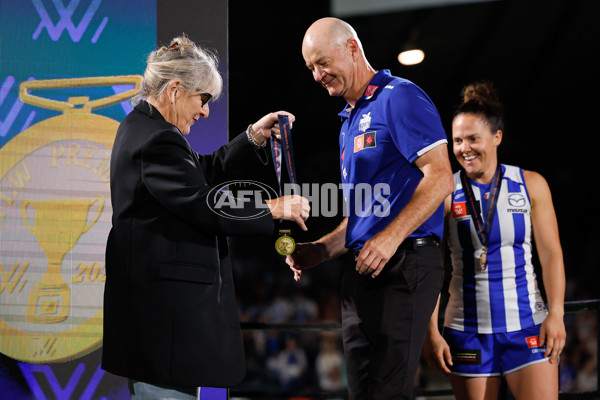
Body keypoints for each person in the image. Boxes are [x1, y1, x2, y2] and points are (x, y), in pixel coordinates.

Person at [102, 35, 310, 400]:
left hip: (160, 325)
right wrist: (272, 209)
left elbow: (203, 172)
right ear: (175, 90)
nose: (205, 111)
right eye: (203, 99)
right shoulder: (156, 139)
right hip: (163, 327)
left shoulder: (146, 130)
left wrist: (253, 137)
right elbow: (203, 203)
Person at [287, 17, 454, 399]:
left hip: (404, 266)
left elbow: (441, 176)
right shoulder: (348, 119)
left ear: (351, 48)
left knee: (386, 394)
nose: (316, 75)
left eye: (322, 62)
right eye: (310, 67)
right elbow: (365, 217)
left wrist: (391, 238)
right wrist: (319, 251)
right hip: (363, 272)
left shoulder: (399, 96)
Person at [423, 81, 566, 400]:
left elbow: (551, 253)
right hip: (466, 332)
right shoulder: (445, 192)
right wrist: (430, 330)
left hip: (529, 328)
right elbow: (433, 265)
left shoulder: (531, 184)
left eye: (473, 139)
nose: (464, 148)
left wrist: (556, 313)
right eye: (457, 140)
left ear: (497, 137)